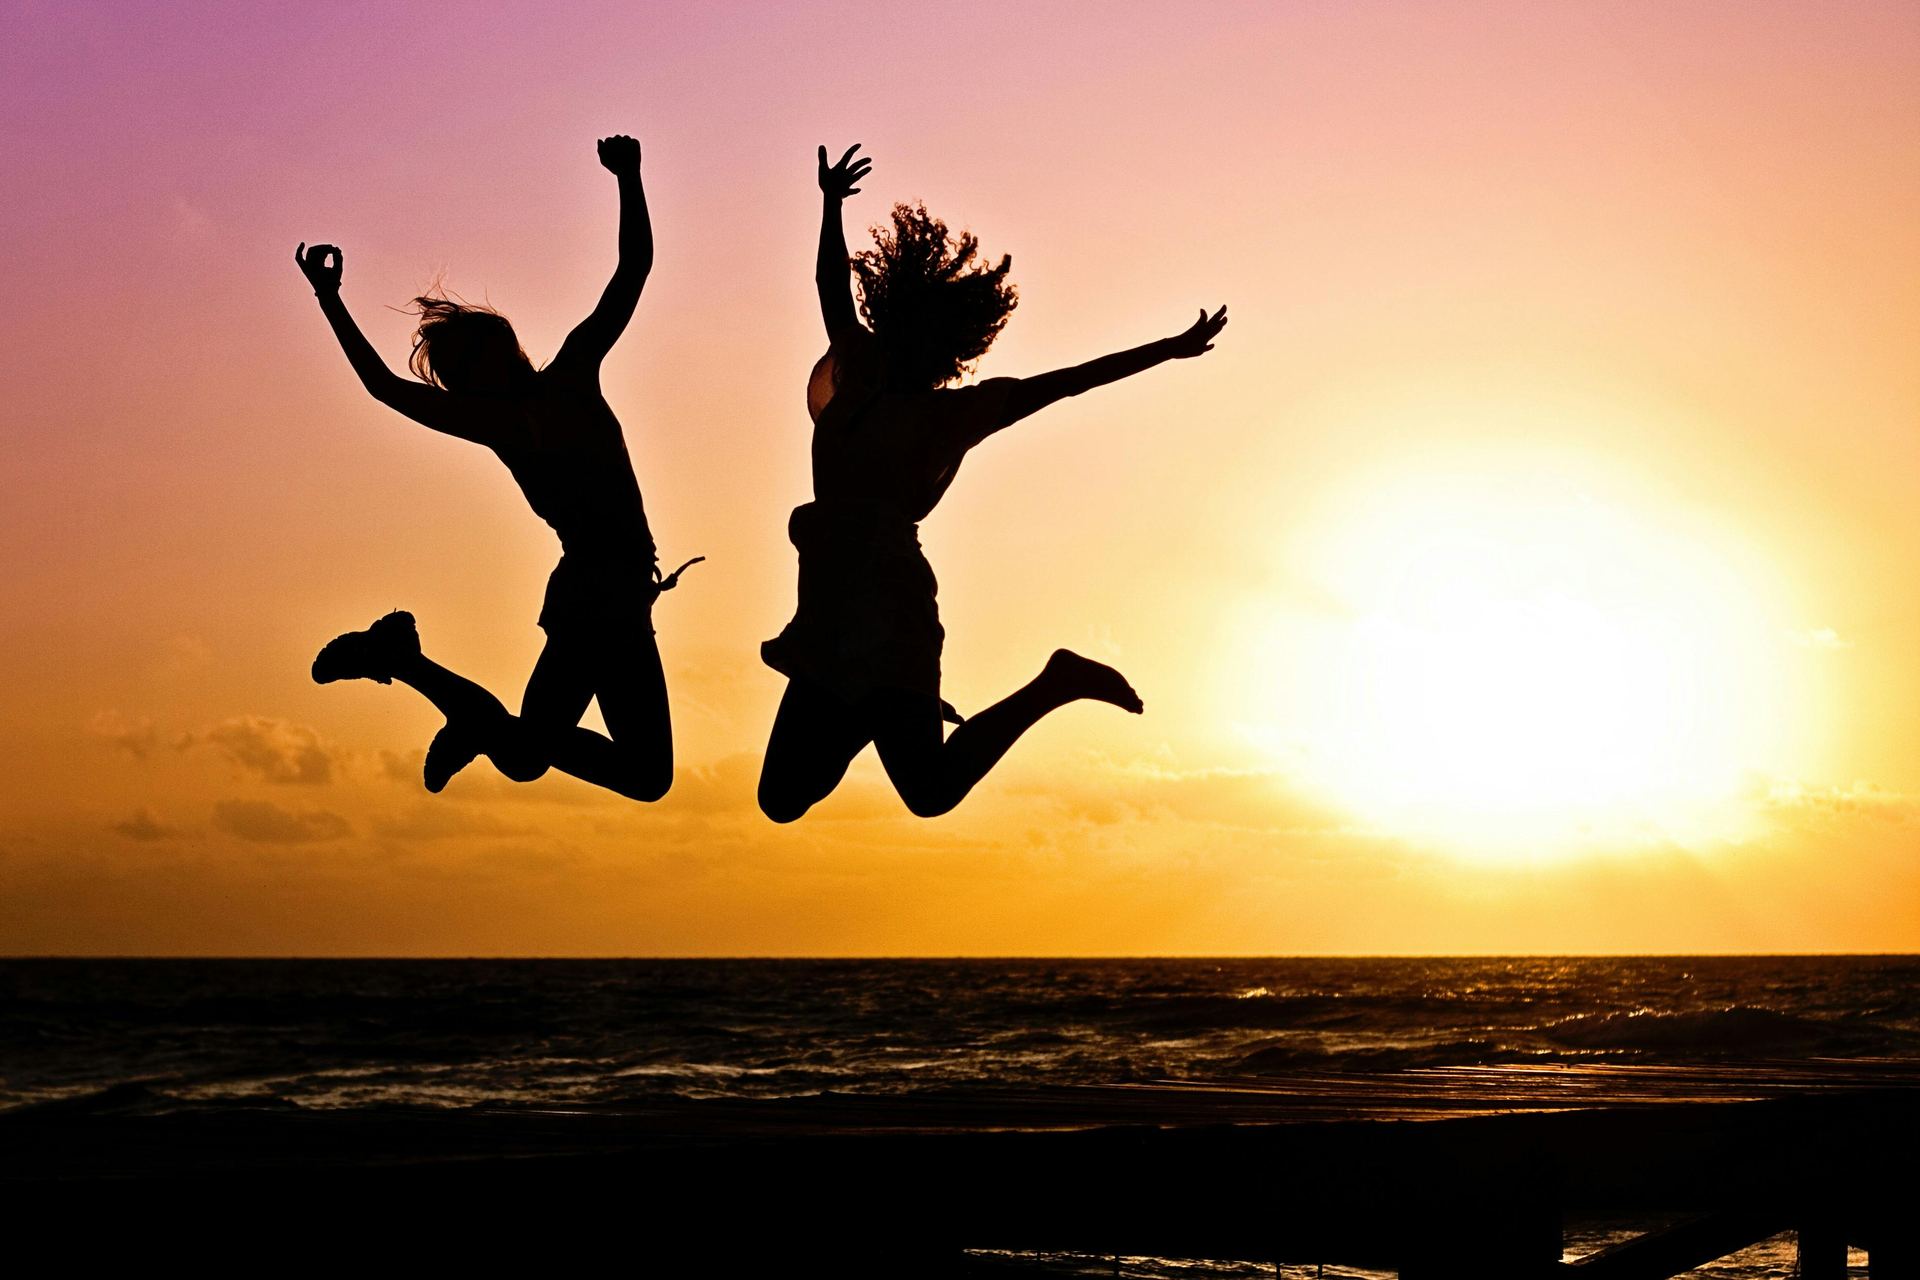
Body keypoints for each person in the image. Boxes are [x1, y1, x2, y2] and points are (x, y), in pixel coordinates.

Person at [757, 144, 1227, 822]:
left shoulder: (955, 414)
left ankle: (1055, 683)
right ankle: (876, 708)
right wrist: (830, 203)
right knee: (781, 798)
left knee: (928, 791)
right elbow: (830, 285)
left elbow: (1068, 383)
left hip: (889, 611)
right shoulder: (858, 368)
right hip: (830, 610)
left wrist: (1168, 349)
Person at [294, 134, 694, 801]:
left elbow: (632, 273)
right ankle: (427, 680)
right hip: (605, 593)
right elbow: (633, 270)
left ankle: (417, 672)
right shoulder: (544, 394)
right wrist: (629, 174)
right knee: (625, 771)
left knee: (528, 755)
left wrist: (329, 297)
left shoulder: (529, 402)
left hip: (598, 590)